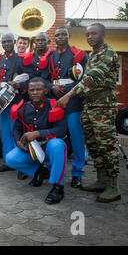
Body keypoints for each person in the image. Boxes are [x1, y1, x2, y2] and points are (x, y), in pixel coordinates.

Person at [56, 23, 121, 203]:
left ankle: (113, 186)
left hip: (103, 106)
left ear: (103, 34)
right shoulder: (92, 55)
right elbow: (84, 78)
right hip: (90, 106)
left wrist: (69, 95)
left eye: (93, 34)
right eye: (87, 34)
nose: (89, 37)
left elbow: (92, 78)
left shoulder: (108, 54)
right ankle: (101, 180)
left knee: (107, 145)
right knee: (93, 144)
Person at [5, 77, 68, 204]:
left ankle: (58, 187)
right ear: (28, 91)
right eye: (32, 90)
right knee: (10, 158)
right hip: (32, 148)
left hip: (49, 147)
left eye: (38, 89)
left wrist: (38, 133)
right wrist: (18, 141)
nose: (35, 92)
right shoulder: (23, 108)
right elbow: (17, 127)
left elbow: (62, 130)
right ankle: (40, 172)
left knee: (58, 145)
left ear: (45, 91)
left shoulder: (54, 105)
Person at [48, 26, 88, 188]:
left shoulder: (78, 54)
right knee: (54, 135)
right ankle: (52, 168)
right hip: (54, 99)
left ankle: (77, 173)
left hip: (73, 100)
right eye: (58, 35)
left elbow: (83, 78)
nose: (61, 37)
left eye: (64, 34)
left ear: (69, 35)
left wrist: (68, 91)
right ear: (54, 37)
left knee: (76, 136)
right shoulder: (51, 55)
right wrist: (51, 86)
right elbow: (43, 77)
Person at [0, 34, 25, 174]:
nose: (6, 44)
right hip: (1, 99)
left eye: (8, 41)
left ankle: (18, 161)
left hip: (15, 100)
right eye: (3, 41)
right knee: (5, 132)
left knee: (15, 131)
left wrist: (19, 85)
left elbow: (28, 78)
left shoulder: (21, 58)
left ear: (13, 42)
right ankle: (8, 160)